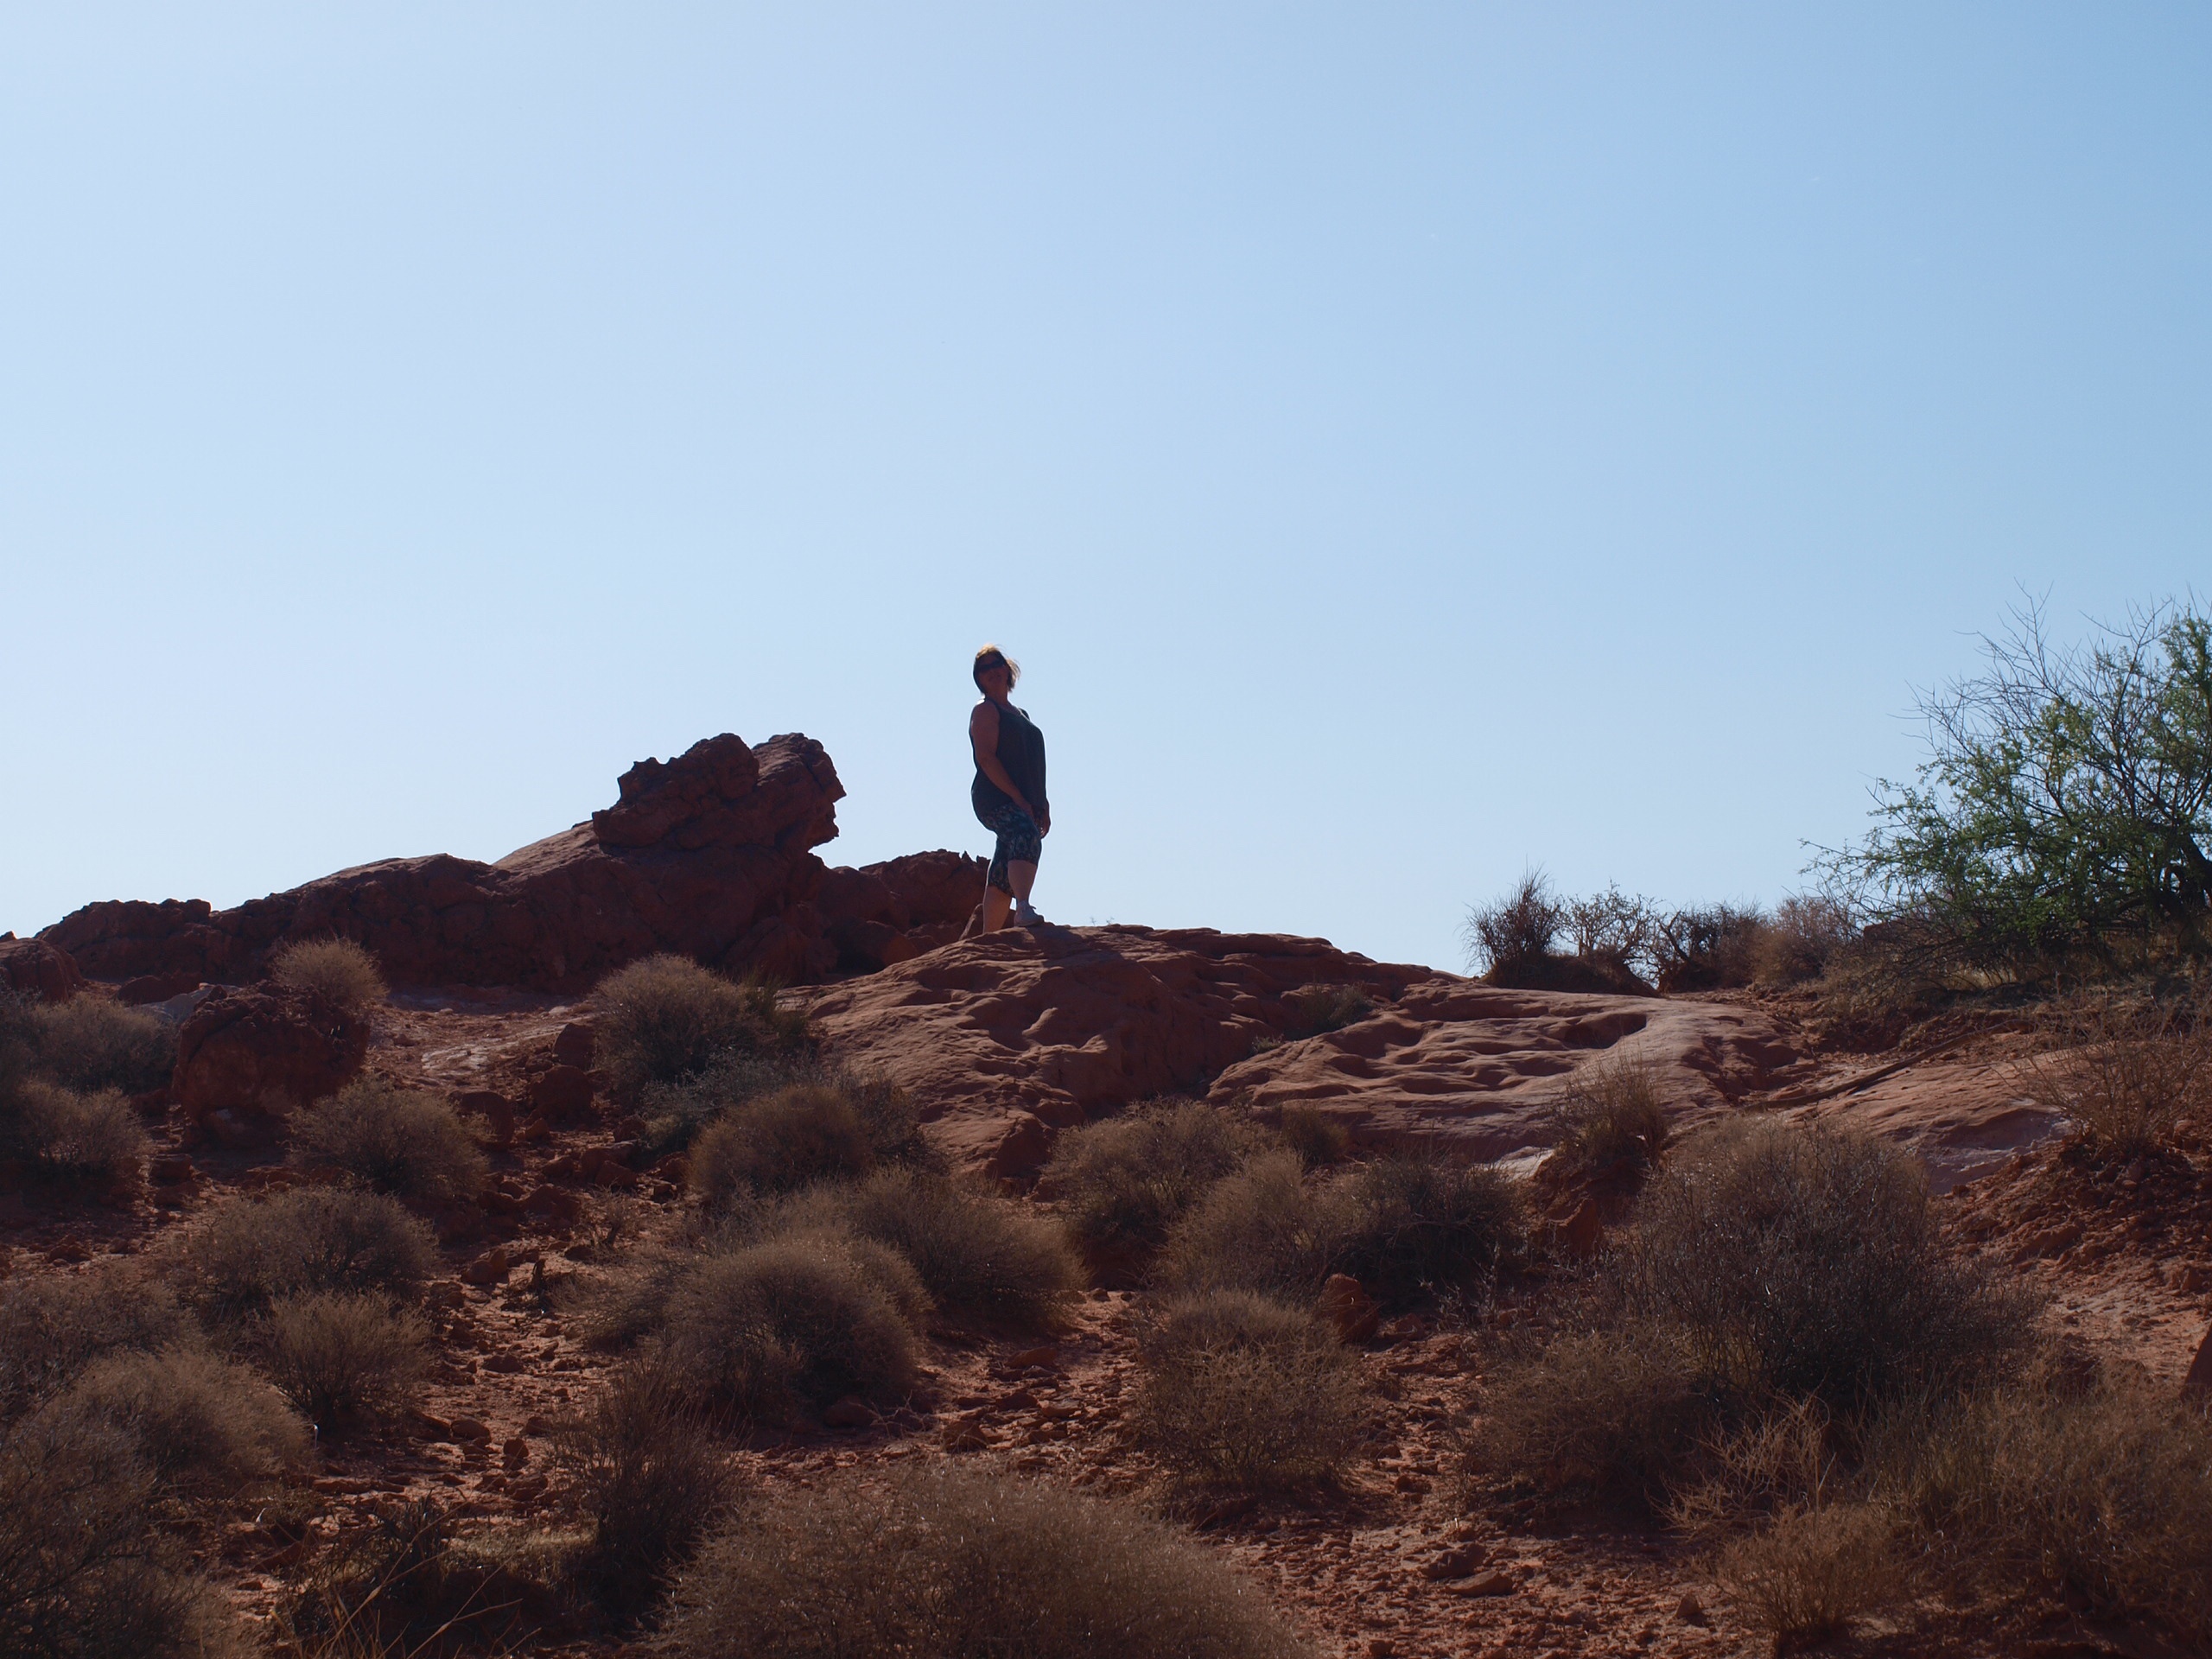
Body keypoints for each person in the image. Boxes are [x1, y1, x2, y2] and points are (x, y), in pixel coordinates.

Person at [969, 644, 1049, 931]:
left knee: (1005, 861)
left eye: (996, 664)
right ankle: (1023, 908)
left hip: (1023, 798)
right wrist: (1017, 798)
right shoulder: (985, 710)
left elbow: (1032, 763)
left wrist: (1042, 802)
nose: (992, 671)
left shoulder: (1021, 713)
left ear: (1007, 668)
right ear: (978, 678)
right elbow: (986, 758)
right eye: (984, 669)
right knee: (1024, 835)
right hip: (994, 797)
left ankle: (989, 936)